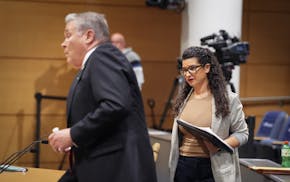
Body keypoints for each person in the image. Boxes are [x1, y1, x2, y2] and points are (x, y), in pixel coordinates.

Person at [48, 12, 157, 182]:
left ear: (89, 36)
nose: (63, 44)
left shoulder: (102, 56)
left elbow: (114, 105)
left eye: (68, 35)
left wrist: (73, 135)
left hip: (117, 169)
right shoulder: (95, 62)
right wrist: (76, 138)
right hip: (100, 165)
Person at [169, 46, 248, 182]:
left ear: (207, 68)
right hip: (183, 165)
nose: (187, 74)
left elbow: (242, 133)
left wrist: (221, 144)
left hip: (212, 167)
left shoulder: (229, 99)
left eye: (192, 68)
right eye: (184, 70)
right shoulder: (183, 99)